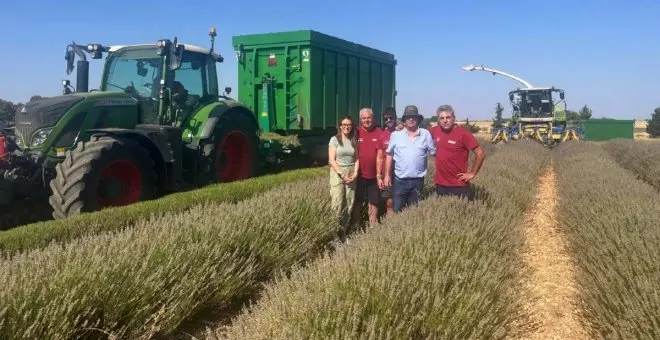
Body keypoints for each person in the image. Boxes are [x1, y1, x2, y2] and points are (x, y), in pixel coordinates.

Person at [384, 105, 436, 212]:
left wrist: (438, 173)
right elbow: (389, 155)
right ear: (404, 120)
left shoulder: (425, 134)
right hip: (399, 181)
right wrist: (387, 175)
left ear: (418, 119)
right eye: (408, 117)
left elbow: (433, 153)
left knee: (414, 211)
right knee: (397, 210)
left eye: (414, 117)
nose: (411, 119)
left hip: (417, 181)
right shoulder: (395, 135)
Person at [429, 104, 485, 199]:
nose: (445, 120)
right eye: (442, 118)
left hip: (459, 185)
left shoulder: (464, 134)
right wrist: (400, 128)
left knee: (460, 213)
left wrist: (472, 173)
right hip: (440, 184)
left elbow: (480, 153)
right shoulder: (434, 131)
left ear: (453, 118)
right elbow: (418, 133)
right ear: (438, 120)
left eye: (448, 117)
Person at [353, 107, 386, 229]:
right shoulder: (355, 132)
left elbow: (382, 153)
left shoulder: (379, 132)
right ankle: (355, 224)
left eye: (369, 118)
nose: (367, 120)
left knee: (374, 201)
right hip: (359, 174)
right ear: (360, 120)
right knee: (357, 201)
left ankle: (372, 225)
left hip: (374, 175)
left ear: (373, 118)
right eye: (364, 118)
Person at [328, 116, 359, 241]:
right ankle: (335, 235)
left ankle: (344, 233)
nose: (346, 127)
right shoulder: (334, 140)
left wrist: (356, 173)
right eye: (344, 124)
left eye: (349, 125)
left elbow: (357, 158)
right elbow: (331, 160)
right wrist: (341, 174)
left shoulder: (353, 140)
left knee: (349, 203)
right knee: (337, 204)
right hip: (338, 173)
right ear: (340, 126)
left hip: (351, 172)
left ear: (352, 126)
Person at [378, 107, 397, 217]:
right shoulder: (382, 135)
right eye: (386, 119)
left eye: (391, 118)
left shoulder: (403, 132)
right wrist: (380, 176)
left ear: (395, 118)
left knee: (400, 201)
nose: (389, 120)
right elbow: (379, 157)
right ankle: (390, 224)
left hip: (402, 173)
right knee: (389, 202)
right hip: (387, 173)